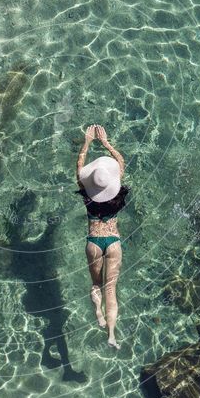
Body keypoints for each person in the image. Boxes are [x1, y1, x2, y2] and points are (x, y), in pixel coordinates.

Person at [75, 124, 129, 350]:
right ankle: (111, 334)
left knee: (96, 284)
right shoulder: (117, 195)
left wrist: (87, 143)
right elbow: (120, 162)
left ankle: (98, 312)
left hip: (94, 243)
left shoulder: (86, 194)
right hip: (113, 242)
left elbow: (79, 168)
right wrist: (106, 143)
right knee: (111, 290)